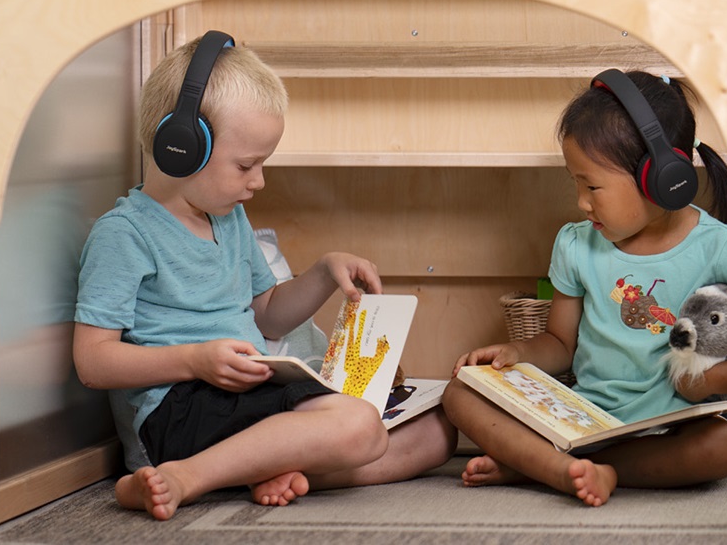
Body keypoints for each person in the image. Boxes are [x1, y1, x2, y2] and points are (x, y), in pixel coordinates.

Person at [73, 32, 456, 521]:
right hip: (181, 407)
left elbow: (269, 317)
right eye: (247, 165)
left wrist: (321, 272)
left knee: (436, 435)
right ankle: (187, 477)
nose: (258, 181)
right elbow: (93, 362)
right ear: (181, 148)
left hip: (248, 397)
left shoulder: (227, 218)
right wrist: (195, 360)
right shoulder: (124, 234)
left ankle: (262, 468)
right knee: (359, 427)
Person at [442, 69, 727, 507]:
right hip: (584, 418)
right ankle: (559, 467)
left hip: (670, 426)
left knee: (725, 447)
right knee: (460, 392)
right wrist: (518, 354)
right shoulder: (575, 243)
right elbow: (559, 343)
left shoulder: (723, 246)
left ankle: (550, 466)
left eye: (591, 185)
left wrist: (709, 382)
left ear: (662, 179)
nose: (581, 202)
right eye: (576, 182)